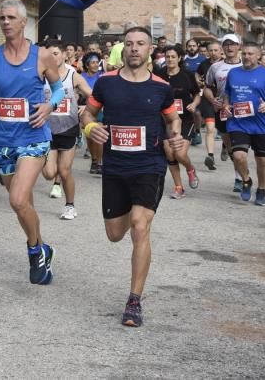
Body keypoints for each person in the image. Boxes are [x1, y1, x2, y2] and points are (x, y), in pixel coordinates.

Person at [80, 26, 183, 328]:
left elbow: (172, 117)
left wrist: (174, 136)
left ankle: (134, 300)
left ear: (151, 50)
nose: (134, 49)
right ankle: (125, 215)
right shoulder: (106, 83)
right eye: (129, 44)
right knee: (115, 234)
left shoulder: (161, 87)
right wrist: (90, 128)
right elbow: (87, 113)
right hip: (114, 167)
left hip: (149, 165)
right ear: (122, 49)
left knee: (140, 226)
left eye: (140, 44)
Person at [0, 0, 64, 286]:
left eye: (10, 18)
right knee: (23, 204)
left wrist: (49, 106)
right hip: (1, 139)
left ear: (23, 23)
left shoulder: (42, 56)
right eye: (1, 18)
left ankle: (33, 253)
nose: (5, 22)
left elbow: (57, 89)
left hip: (32, 136)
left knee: (17, 198)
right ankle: (44, 248)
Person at [218, 42, 265, 207]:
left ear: (258, 56)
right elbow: (227, 93)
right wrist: (226, 105)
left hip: (261, 124)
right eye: (245, 53)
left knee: (262, 161)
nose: (247, 57)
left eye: (251, 54)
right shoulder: (233, 73)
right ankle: (246, 180)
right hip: (238, 122)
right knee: (239, 156)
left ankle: (261, 189)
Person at [41, 40, 93, 220]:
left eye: (55, 53)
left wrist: (86, 108)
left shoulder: (73, 75)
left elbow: (93, 96)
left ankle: (70, 206)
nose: (51, 57)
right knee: (48, 174)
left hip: (68, 128)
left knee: (64, 171)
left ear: (64, 55)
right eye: (48, 54)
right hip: (46, 129)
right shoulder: (41, 75)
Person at [203, 34, 242, 191]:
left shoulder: (246, 65)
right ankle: (239, 174)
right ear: (222, 48)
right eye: (226, 44)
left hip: (242, 111)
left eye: (233, 44)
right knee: (232, 147)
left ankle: (240, 178)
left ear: (239, 46)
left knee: (240, 147)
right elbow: (206, 87)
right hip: (223, 111)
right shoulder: (215, 67)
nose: (229, 47)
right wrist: (213, 100)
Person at [160, 45, 200, 199]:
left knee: (180, 154)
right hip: (166, 120)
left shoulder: (187, 75)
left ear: (179, 58)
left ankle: (190, 169)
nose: (170, 59)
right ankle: (179, 187)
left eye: (173, 57)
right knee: (170, 153)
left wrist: (194, 104)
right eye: (167, 57)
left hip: (185, 120)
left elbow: (197, 94)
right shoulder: (160, 74)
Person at [196, 40, 223, 169]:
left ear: (221, 51)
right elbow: (197, 73)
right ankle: (210, 156)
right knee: (210, 128)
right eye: (210, 50)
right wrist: (198, 81)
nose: (213, 53)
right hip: (208, 99)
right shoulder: (204, 64)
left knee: (225, 131)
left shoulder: (226, 64)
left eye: (216, 50)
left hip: (224, 100)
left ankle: (225, 147)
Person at [79, 52, 105, 174]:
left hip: (100, 110)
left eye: (97, 62)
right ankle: (94, 161)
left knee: (98, 135)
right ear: (87, 65)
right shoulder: (81, 77)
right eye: (92, 62)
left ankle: (99, 163)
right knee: (89, 137)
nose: (95, 65)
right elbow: (77, 93)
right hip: (86, 110)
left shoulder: (103, 77)